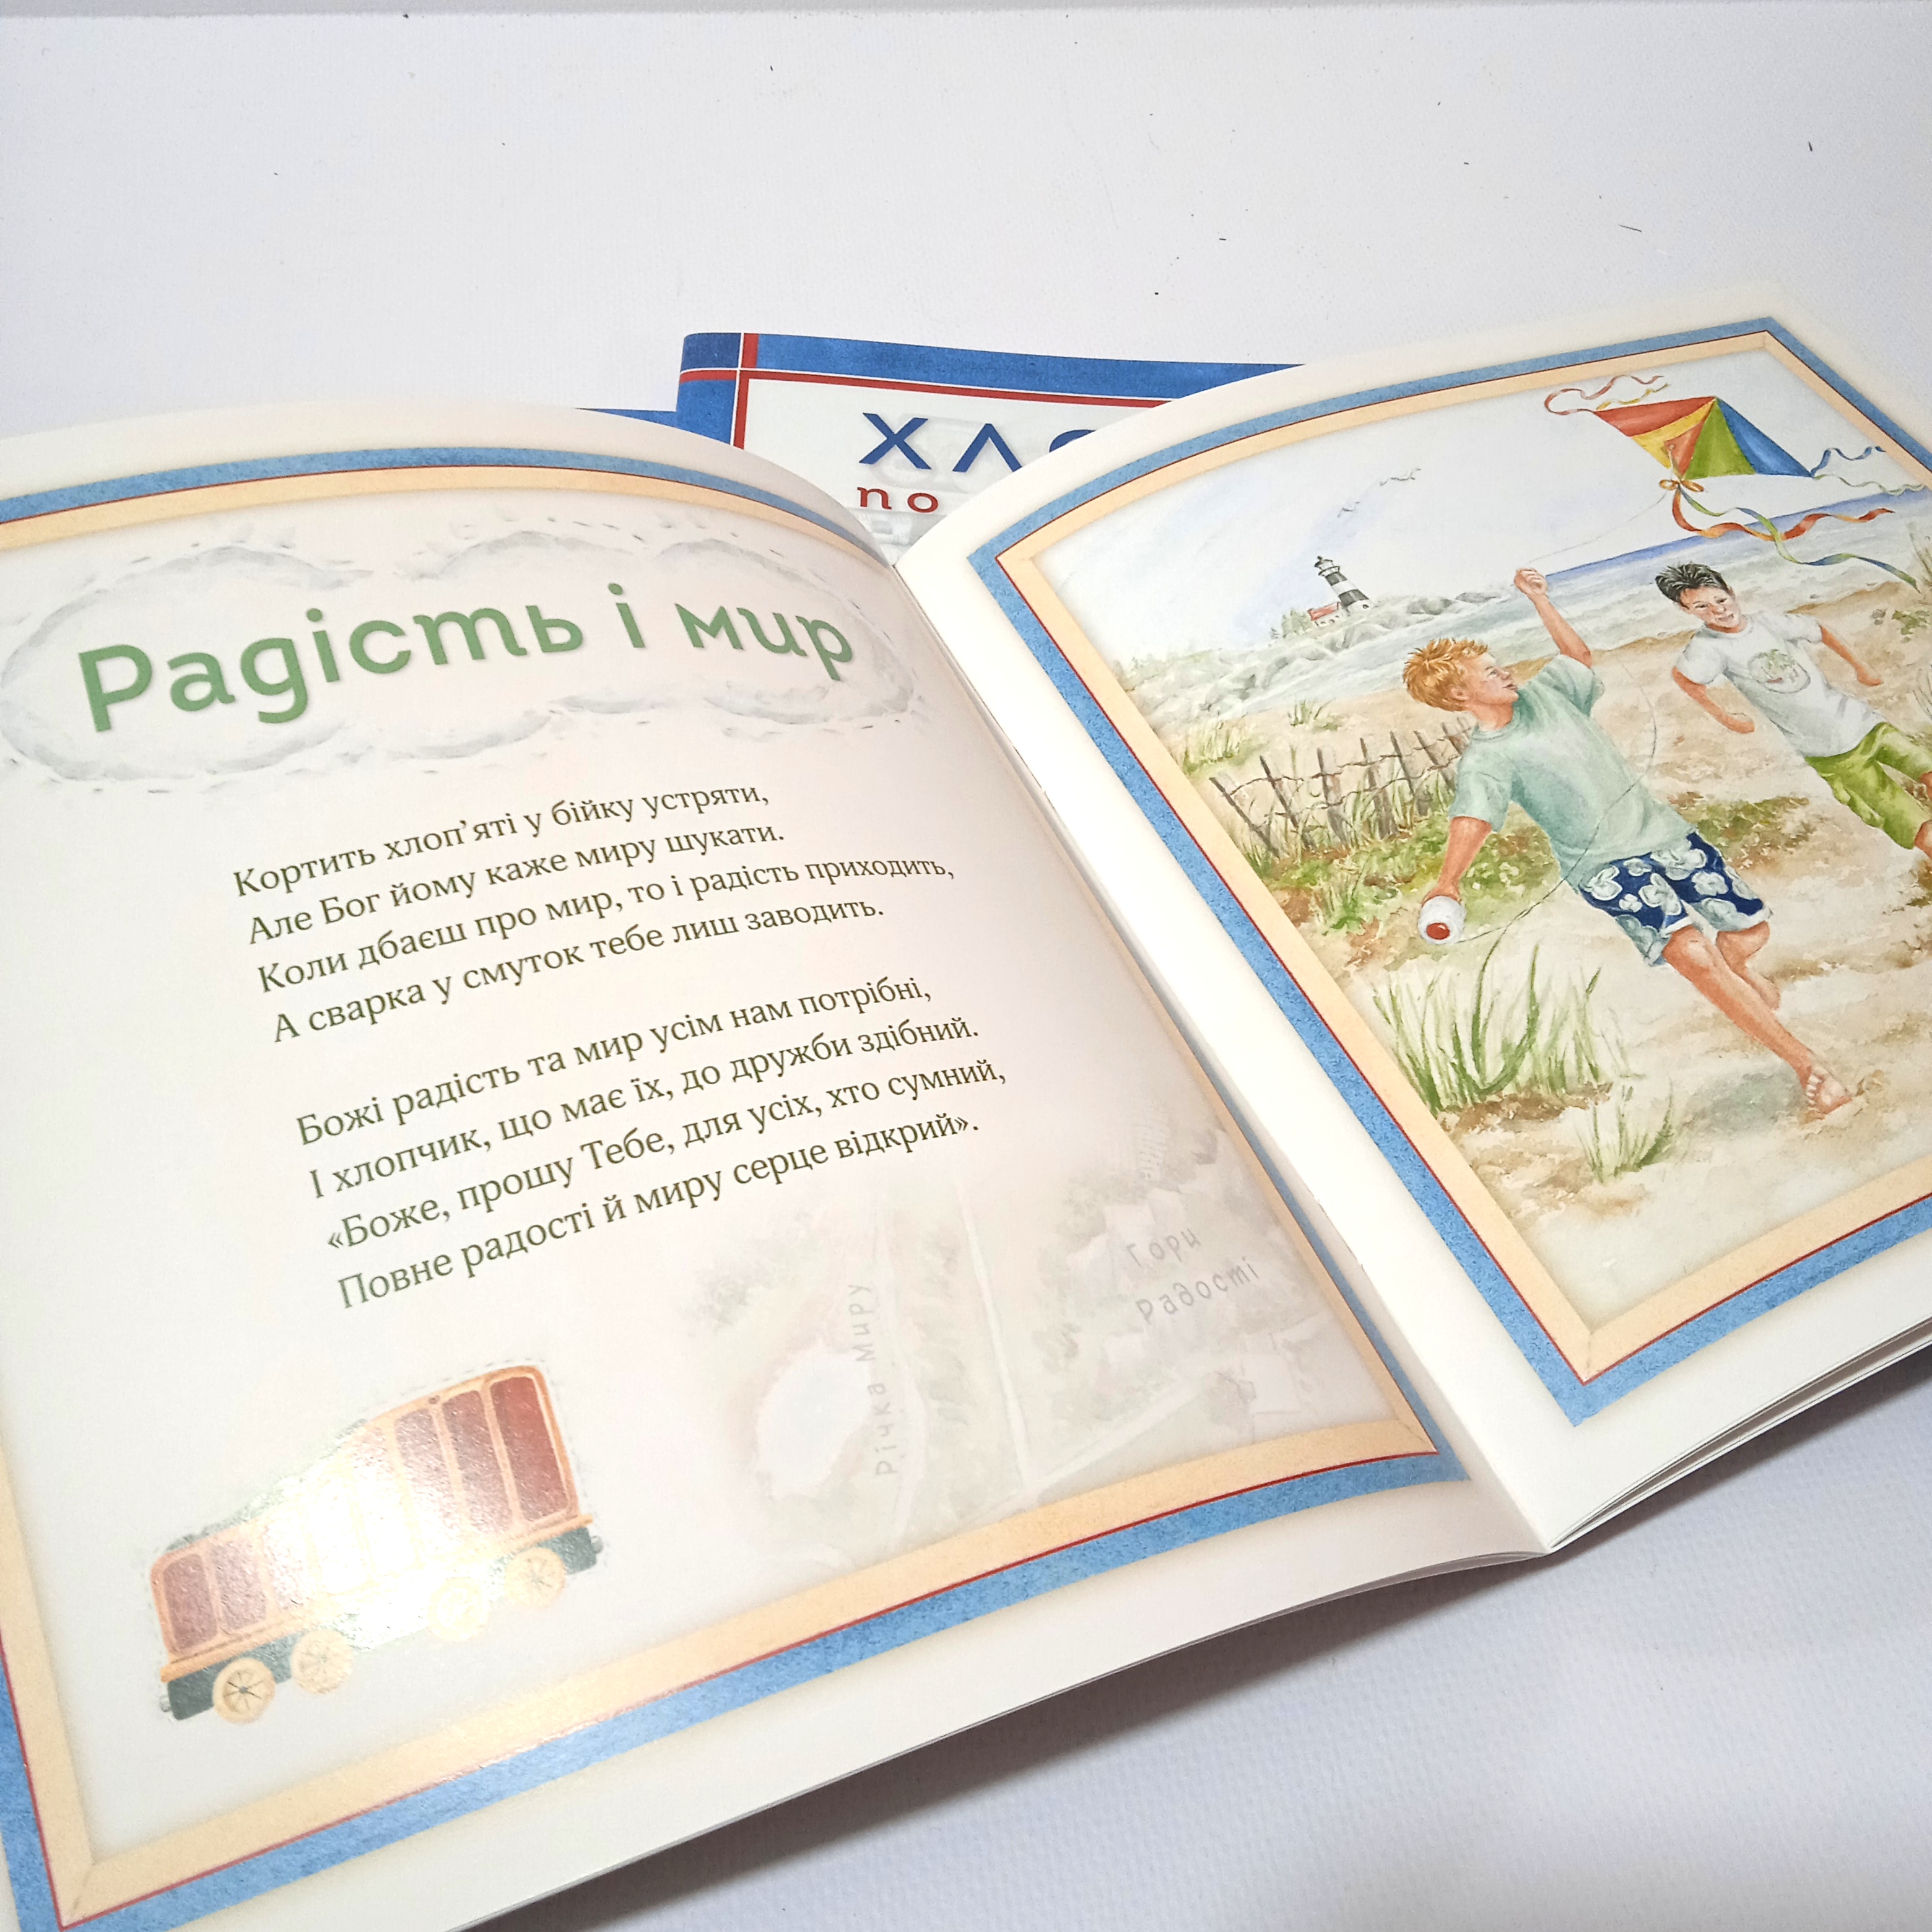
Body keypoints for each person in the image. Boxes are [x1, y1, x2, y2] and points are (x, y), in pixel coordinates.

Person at [1401, 565, 1851, 1116]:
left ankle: (1738, 967)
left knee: (1750, 930)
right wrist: (1448, 882)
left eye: (1500, 665)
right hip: (1604, 867)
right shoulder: (1486, 760)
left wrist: (1540, 601)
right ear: (1458, 694)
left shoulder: (1548, 694)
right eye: (1491, 673)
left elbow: (1578, 656)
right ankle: (1807, 1064)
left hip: (1664, 834)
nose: (1506, 673)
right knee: (1693, 955)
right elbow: (1472, 819)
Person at [1658, 560, 1932, 859]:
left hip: (1864, 723)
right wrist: (1727, 718)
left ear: (1731, 592)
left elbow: (1819, 630)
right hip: (1829, 753)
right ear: (1685, 610)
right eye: (1702, 607)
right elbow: (1684, 678)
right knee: (1914, 826)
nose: (1718, 611)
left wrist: (1861, 666)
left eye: (1720, 600)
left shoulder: (1768, 622)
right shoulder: (1708, 647)